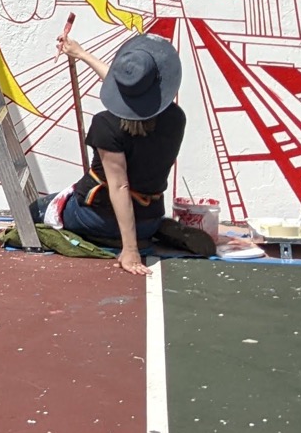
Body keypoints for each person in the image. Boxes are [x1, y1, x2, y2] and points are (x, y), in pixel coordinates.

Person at [46, 29, 213, 272]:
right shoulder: (176, 118)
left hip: (99, 218)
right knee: (136, 214)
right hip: (149, 218)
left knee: (41, 209)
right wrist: (81, 54)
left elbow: (120, 186)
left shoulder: (106, 125)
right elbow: (133, 91)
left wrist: (131, 250)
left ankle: (117, 239)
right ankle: (156, 230)